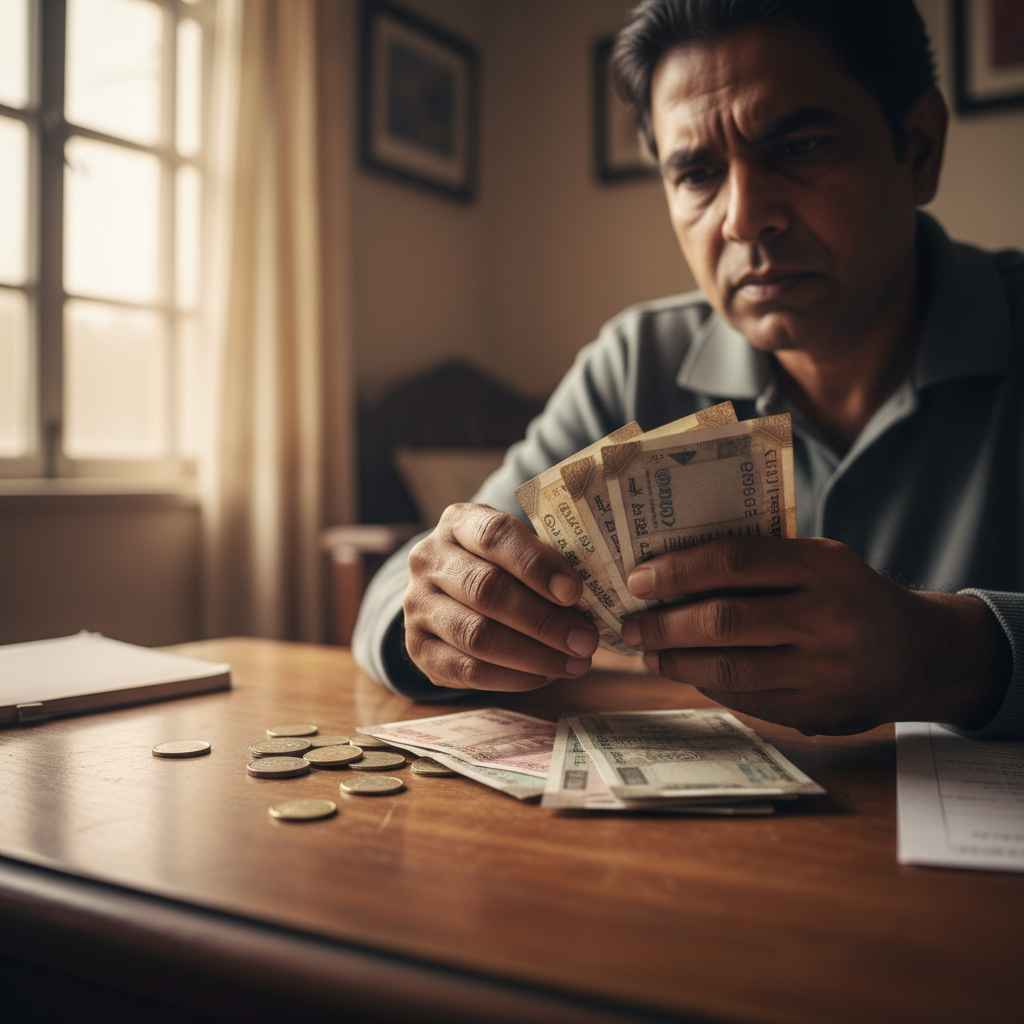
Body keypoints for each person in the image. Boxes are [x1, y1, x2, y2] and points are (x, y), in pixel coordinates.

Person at [353, 0, 1023, 738]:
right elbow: (415, 583)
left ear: (920, 145)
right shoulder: (636, 362)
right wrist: (437, 613)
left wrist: (941, 653)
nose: (743, 218)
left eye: (799, 148)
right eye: (699, 173)